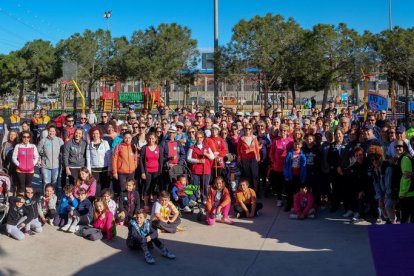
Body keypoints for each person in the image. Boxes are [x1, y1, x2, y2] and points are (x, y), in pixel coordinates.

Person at [369, 146, 396, 224]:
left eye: (376, 158)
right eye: (372, 159)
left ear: (381, 157)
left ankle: (393, 221)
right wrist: (380, 198)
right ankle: (388, 220)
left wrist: (386, 197)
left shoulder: (387, 167)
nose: (374, 161)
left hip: (392, 193)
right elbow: (376, 186)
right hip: (384, 193)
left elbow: (389, 185)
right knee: (380, 204)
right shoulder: (374, 170)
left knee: (388, 204)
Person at [187, 131, 215, 202]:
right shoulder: (192, 147)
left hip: (206, 170)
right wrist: (198, 161)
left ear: (203, 138)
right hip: (195, 170)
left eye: (201, 137)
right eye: (198, 137)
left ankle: (204, 199)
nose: (199, 139)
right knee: (195, 186)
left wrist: (206, 154)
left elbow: (212, 157)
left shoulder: (207, 147)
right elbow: (188, 158)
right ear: (195, 138)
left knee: (204, 186)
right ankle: (195, 199)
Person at [140, 132, 163, 210]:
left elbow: (161, 161)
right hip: (147, 172)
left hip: (156, 171)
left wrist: (160, 172)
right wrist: (143, 172)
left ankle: (154, 204)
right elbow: (141, 161)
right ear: (147, 138)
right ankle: (146, 205)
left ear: (155, 139)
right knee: (147, 188)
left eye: (152, 138)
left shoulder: (159, 148)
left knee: (155, 188)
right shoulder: (144, 148)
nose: (151, 140)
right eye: (149, 138)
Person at [284, 139, 307, 212]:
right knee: (289, 191)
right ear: (293, 145)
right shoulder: (290, 154)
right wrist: (286, 175)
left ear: (301, 145)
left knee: (297, 191)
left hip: (298, 176)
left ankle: (296, 204)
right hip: (291, 175)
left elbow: (304, 167)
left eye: (298, 144)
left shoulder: (302, 155)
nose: (296, 146)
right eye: (295, 144)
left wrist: (303, 177)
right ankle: (288, 204)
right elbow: (286, 165)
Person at [237, 123, 260, 192]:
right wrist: (239, 157)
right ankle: (248, 191)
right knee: (247, 176)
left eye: (249, 128)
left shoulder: (254, 137)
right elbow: (238, 149)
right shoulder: (241, 138)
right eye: (246, 128)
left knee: (255, 176)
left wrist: (258, 158)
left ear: (251, 129)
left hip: (253, 159)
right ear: (244, 129)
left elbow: (257, 148)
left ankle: (255, 192)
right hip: (245, 159)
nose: (247, 130)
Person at [395, 140, 414, 223]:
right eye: (396, 146)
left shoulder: (405, 158)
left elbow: (406, 178)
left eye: (400, 146)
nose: (398, 148)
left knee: (405, 220)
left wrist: (402, 193)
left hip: (408, 194)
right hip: (408, 193)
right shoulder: (403, 158)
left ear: (405, 148)